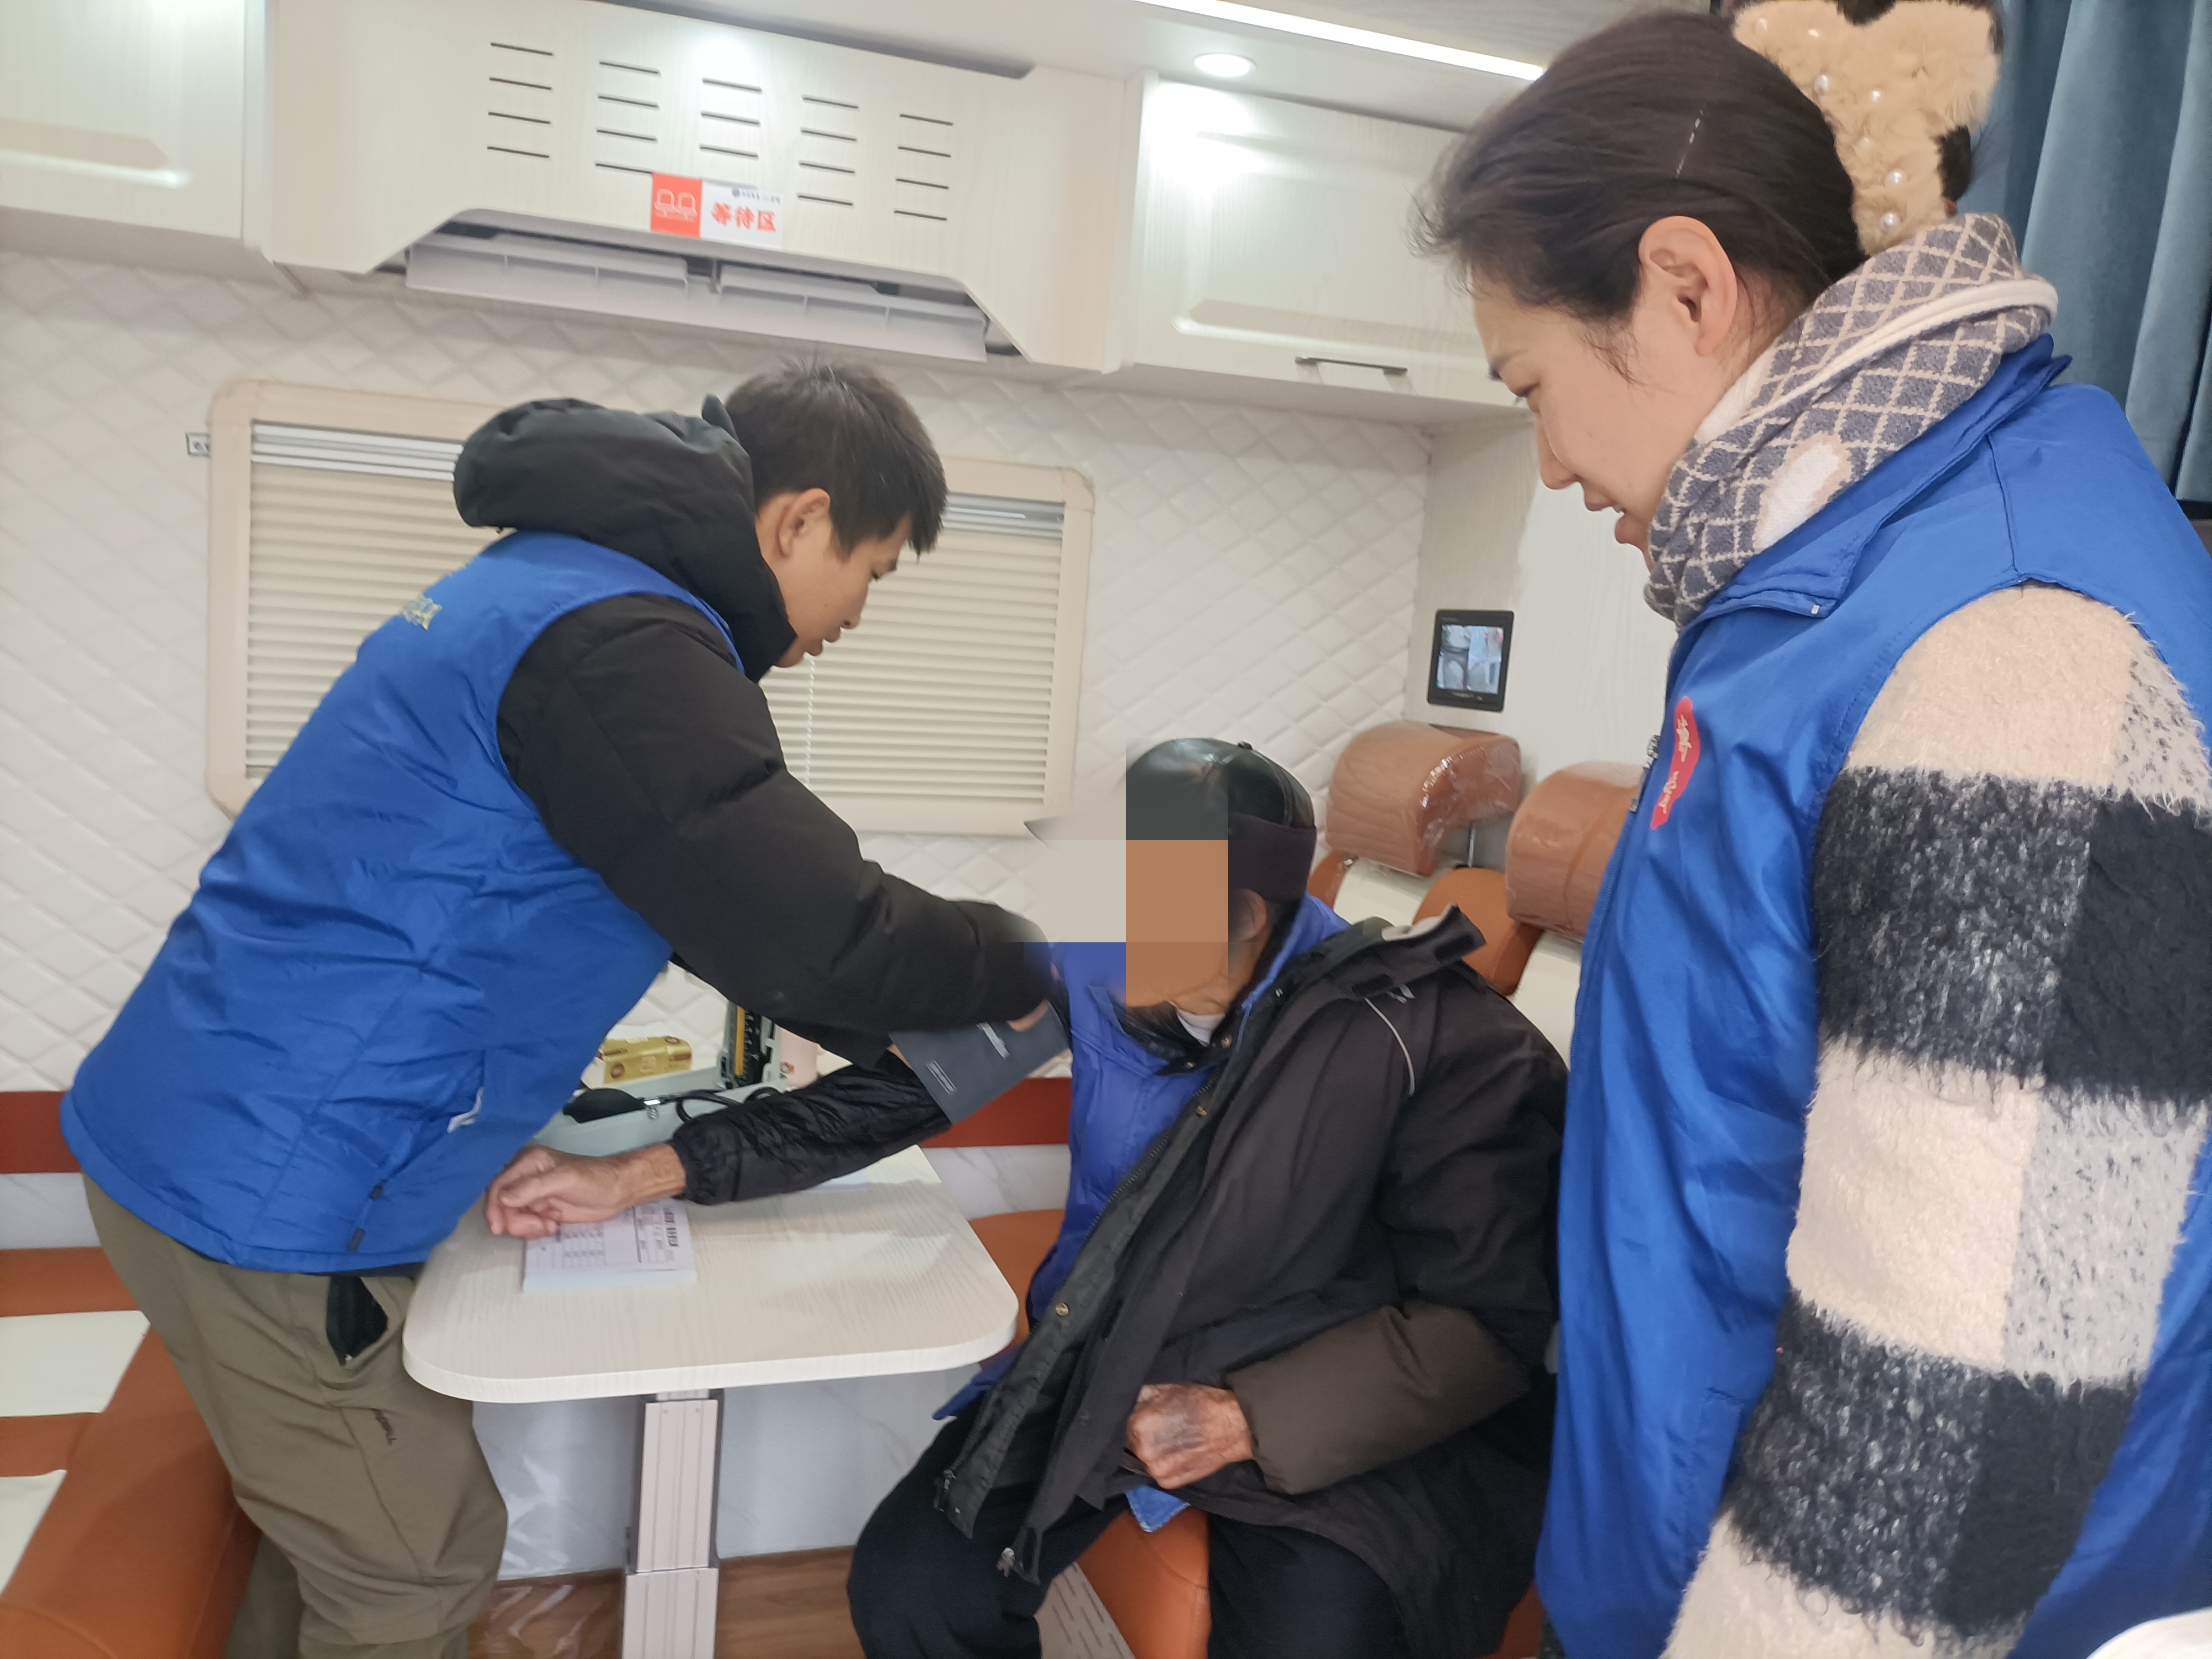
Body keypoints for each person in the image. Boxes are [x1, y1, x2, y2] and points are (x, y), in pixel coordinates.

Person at [1418, 6, 2212, 1657]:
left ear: (1685, 285)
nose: (1549, 462)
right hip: (1678, 1552)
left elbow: (1951, 1420)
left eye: (1534, 387)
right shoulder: (1817, 593)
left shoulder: (2014, 641)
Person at [60, 363, 1050, 1659]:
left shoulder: (552, 585)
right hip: (273, 1181)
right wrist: (1032, 962)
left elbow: (710, 897)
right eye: (871, 570)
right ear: (801, 519)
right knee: (413, 1568)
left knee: (352, 1542)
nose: (859, 612)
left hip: (225, 1128)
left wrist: (918, 1014)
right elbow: (809, 931)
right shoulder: (626, 644)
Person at [493, 738, 1568, 1659]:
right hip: (1106, 1355)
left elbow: (1485, 1324)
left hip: (1314, 1403)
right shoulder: (1093, 971)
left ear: (1243, 913)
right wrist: (637, 1175)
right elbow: (891, 1098)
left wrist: (1251, 1416)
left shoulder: (1434, 1039)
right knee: (912, 1589)